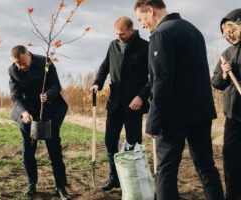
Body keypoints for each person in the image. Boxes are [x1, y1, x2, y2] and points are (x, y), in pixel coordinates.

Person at [133, 1, 225, 199]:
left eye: (141, 19)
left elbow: (161, 82)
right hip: (201, 112)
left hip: (173, 116)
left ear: (150, 10)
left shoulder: (161, 34)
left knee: (166, 170)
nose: (141, 24)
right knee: (206, 166)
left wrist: (153, 122)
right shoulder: (193, 30)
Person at [90, 16, 150, 191]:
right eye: (116, 34)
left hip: (134, 105)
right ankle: (114, 177)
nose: (119, 37)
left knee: (133, 144)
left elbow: (153, 77)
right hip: (115, 103)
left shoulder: (145, 47)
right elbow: (104, 67)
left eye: (122, 34)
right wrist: (97, 83)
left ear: (132, 30)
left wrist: (141, 96)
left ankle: (131, 181)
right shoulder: (113, 45)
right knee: (110, 142)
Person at [8, 45, 71, 200]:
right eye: (18, 64)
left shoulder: (45, 63)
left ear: (29, 54)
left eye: (23, 63)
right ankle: (31, 184)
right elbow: (15, 96)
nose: (21, 67)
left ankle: (61, 187)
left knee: (54, 149)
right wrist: (24, 113)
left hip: (49, 109)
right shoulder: (13, 70)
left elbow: (56, 86)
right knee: (28, 150)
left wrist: (47, 95)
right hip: (28, 111)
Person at [211, 8, 241, 200]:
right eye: (225, 34)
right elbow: (215, 82)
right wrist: (223, 74)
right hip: (233, 116)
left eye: (231, 31)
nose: (228, 36)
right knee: (231, 159)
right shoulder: (227, 53)